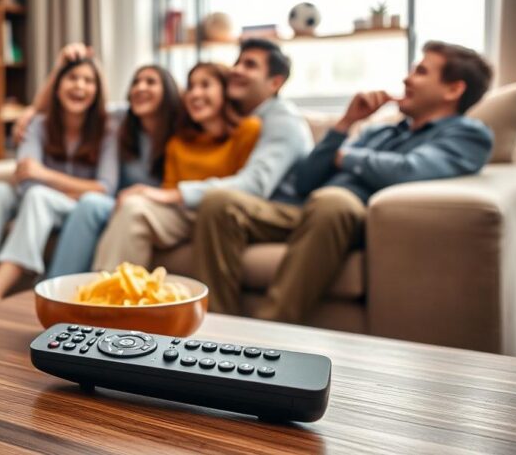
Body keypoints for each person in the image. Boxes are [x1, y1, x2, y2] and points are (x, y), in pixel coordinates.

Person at [191, 41, 495, 323]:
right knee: (220, 201)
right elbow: (305, 181)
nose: (407, 79)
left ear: (453, 89)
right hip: (306, 209)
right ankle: (221, 328)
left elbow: (409, 168)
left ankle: (272, 330)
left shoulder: (468, 134)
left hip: (353, 214)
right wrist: (346, 123)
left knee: (332, 200)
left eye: (421, 71)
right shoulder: (381, 131)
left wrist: (344, 157)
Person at [0, 52, 118, 313]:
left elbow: (105, 187)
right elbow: (27, 181)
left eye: (88, 80)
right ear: (57, 85)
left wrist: (45, 174)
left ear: (97, 90)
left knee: (39, 196)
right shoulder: (37, 125)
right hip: (38, 200)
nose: (80, 86)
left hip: (75, 209)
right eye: (72, 78)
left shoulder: (108, 130)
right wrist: (66, 184)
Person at [92, 62, 262, 269]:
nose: (195, 94)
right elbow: (168, 192)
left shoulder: (248, 131)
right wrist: (143, 195)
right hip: (183, 215)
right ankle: (105, 294)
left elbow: (246, 187)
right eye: (191, 87)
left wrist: (172, 194)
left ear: (225, 91)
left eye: (205, 85)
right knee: (133, 207)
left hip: (221, 216)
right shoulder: (178, 143)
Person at [44, 60, 184, 277]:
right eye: (135, 82)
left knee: (94, 202)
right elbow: (85, 107)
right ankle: (55, 287)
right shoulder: (121, 120)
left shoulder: (181, 131)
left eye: (150, 82)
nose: (140, 88)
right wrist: (29, 114)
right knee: (90, 203)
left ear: (168, 92)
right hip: (118, 203)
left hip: (155, 210)